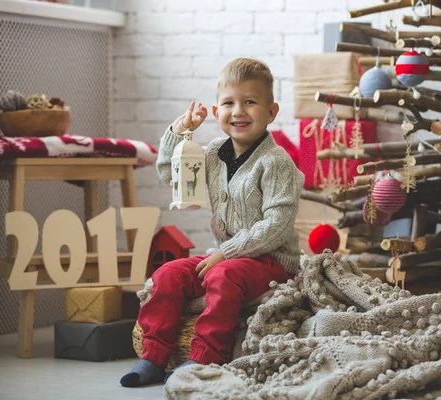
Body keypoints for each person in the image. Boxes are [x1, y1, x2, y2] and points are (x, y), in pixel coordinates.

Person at [120, 58, 304, 387]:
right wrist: (180, 133)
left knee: (222, 275)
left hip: (271, 259)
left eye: (250, 102)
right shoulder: (215, 152)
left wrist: (228, 253)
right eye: (229, 103)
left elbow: (277, 224)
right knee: (168, 274)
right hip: (226, 254)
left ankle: (206, 356)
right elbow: (171, 175)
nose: (239, 111)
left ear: (271, 111)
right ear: (217, 112)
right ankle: (153, 355)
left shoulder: (276, 162)